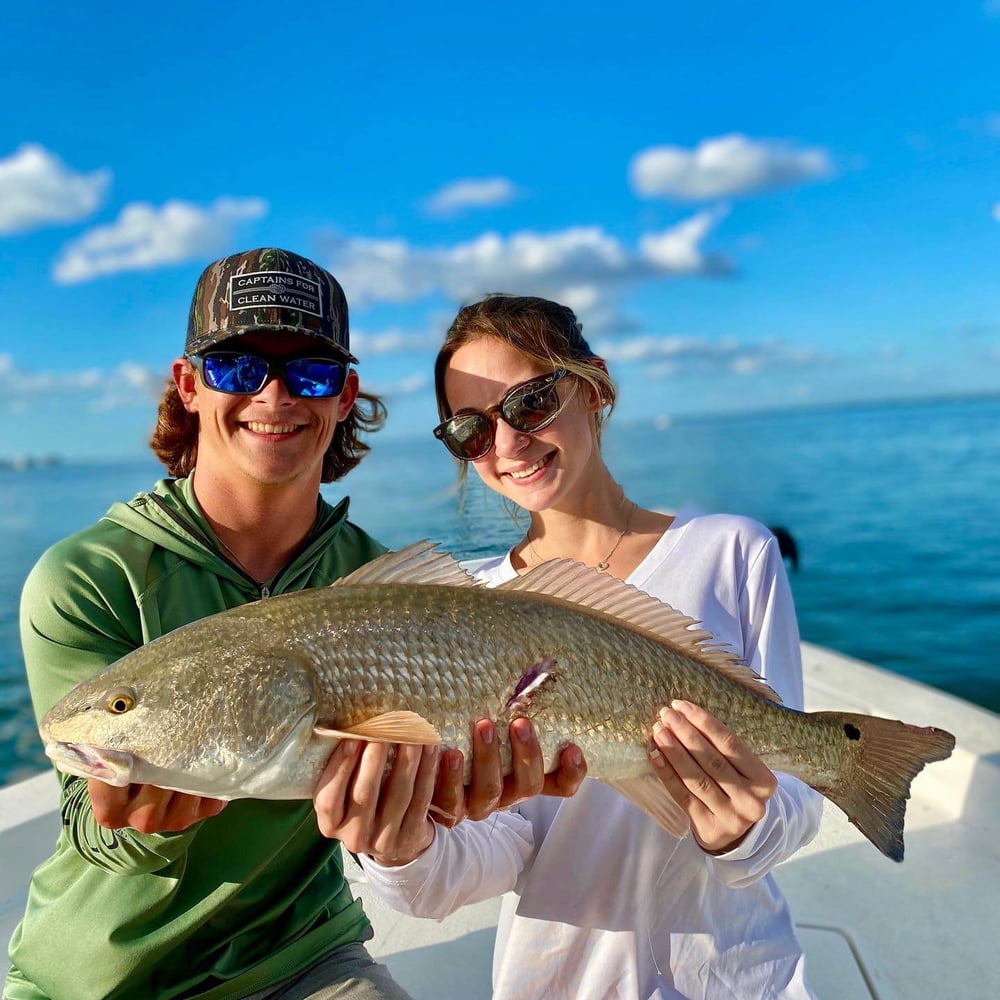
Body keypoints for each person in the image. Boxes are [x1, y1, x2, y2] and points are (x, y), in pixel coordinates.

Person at [5, 250, 583, 1000]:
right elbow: (92, 820)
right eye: (238, 368)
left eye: (309, 372)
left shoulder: (380, 582)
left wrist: (441, 808)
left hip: (306, 956)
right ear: (188, 386)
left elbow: (416, 803)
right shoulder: (88, 576)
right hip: (95, 981)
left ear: (344, 395)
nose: (274, 395)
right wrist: (142, 826)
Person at [348, 294, 825, 999]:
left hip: (742, 978)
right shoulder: (469, 611)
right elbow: (502, 848)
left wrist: (743, 833)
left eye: (530, 403)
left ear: (595, 386)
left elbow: (798, 788)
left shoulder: (733, 551)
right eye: (470, 429)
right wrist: (400, 849)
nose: (506, 444)